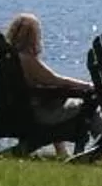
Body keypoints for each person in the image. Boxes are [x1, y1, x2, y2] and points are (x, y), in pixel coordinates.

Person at [6, 11, 92, 145]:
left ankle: (62, 151)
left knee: (55, 100)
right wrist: (87, 86)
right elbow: (56, 80)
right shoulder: (26, 59)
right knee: (90, 104)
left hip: (12, 111)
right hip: (36, 115)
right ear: (33, 36)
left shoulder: (6, 59)